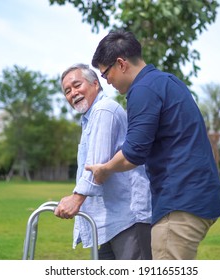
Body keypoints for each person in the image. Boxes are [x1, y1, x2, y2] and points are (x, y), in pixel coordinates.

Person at [86, 30, 220, 260]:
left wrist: (104, 169)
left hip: (180, 202)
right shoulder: (166, 81)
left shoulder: (143, 90)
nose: (107, 81)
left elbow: (133, 153)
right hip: (195, 197)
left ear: (120, 64)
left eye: (105, 74)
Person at [53, 63, 152, 260]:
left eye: (77, 85)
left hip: (128, 217)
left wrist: (76, 199)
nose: (73, 93)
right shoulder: (89, 119)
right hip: (107, 220)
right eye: (67, 91)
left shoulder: (104, 110)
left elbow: (96, 164)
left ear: (95, 84)